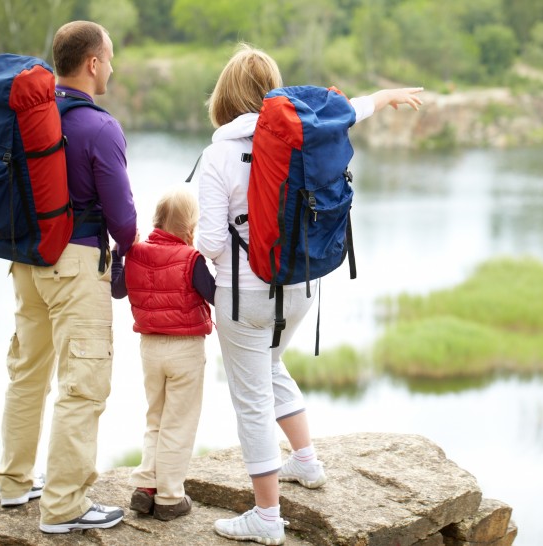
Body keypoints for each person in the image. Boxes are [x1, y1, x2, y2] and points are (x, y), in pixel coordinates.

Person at [196, 43, 423, 545]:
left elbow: (211, 242)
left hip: (243, 296)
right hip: (300, 287)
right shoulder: (303, 138)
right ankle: (306, 462)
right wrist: (384, 96)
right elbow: (348, 111)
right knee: (271, 365)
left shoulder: (218, 154)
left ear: (225, 95)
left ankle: (266, 518)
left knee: (250, 399)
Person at [0, 20, 138, 534]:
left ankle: (14, 483)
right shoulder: (100, 128)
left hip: (26, 259)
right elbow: (123, 221)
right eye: (110, 57)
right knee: (83, 385)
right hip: (75, 265)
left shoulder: (30, 116)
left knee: (27, 371)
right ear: (93, 63)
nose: (113, 66)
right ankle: (63, 506)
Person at [110, 187, 215, 521]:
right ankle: (169, 497)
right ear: (190, 230)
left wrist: (118, 256)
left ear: (155, 222)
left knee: (155, 416)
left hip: (150, 349)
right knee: (178, 423)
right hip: (184, 349)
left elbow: (117, 290)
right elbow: (215, 295)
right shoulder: (191, 258)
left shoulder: (136, 253)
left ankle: (145, 486)